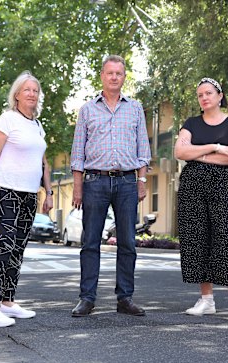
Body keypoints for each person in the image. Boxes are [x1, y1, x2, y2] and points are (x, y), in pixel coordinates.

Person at [70, 55, 151, 317]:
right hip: (95, 181)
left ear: (124, 77)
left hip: (128, 181)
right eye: (110, 73)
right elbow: (78, 153)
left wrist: (141, 180)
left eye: (119, 73)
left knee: (127, 241)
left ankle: (125, 299)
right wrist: (78, 188)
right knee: (90, 242)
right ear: (102, 76)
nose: (114, 77)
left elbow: (143, 149)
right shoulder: (87, 110)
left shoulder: (136, 108)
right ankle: (87, 298)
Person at [0, 71, 53, 327]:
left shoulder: (37, 124)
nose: (32, 94)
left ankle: (7, 302)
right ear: (17, 95)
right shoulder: (7, 119)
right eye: (27, 90)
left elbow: (43, 162)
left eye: (35, 90)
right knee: (4, 246)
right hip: (6, 190)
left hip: (30, 194)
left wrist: (49, 192)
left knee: (18, 248)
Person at [173, 77, 228, 324]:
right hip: (192, 185)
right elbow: (179, 152)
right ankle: (207, 300)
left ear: (219, 95)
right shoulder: (192, 123)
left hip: (224, 185)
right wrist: (215, 147)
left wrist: (198, 153)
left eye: (208, 93)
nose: (204, 98)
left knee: (226, 238)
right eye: (199, 95)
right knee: (197, 239)